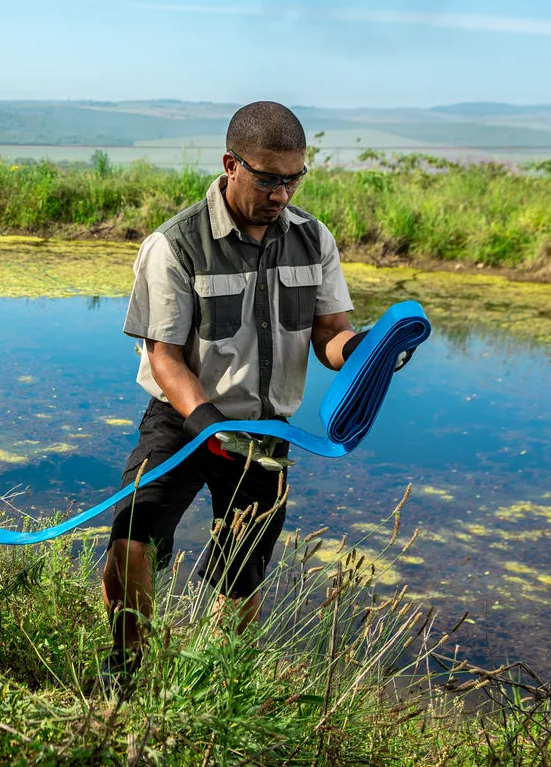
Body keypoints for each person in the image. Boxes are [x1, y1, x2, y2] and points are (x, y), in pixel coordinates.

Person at [99, 100, 369, 689]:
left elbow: (329, 333)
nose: (282, 193)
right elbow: (164, 359)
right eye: (268, 178)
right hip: (183, 418)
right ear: (230, 164)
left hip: (265, 434)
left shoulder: (313, 240)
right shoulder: (175, 245)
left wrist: (362, 352)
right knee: (129, 539)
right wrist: (207, 426)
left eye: (294, 177)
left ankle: (216, 685)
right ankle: (127, 668)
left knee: (241, 575)